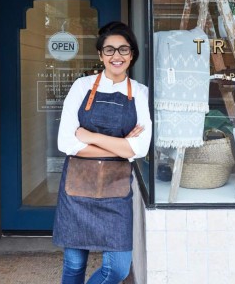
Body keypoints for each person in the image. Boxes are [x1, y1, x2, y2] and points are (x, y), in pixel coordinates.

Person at [53, 21, 152, 284]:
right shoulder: (81, 87)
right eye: (109, 50)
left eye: (123, 50)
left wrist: (89, 136)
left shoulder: (141, 94)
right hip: (77, 190)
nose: (116, 56)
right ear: (100, 55)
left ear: (132, 55)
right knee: (74, 265)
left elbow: (139, 148)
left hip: (116, 192)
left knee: (118, 268)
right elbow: (66, 143)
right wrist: (120, 147)